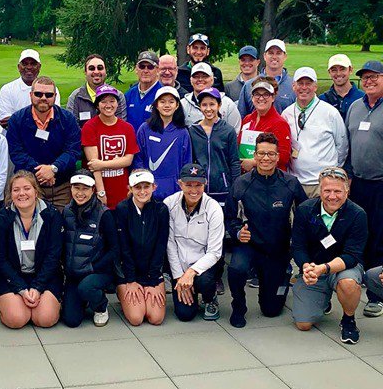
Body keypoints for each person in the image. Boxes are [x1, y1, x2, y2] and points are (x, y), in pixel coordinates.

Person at [225, 133, 306, 328]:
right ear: (255, 155)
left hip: (277, 248)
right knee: (236, 268)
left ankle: (279, 277)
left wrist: (297, 244)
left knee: (271, 310)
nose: (266, 158)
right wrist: (237, 232)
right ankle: (239, 306)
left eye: (271, 154)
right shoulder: (242, 183)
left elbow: (305, 215)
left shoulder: (290, 183)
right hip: (250, 244)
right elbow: (229, 217)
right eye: (261, 153)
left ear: (278, 156)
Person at [291, 167, 367, 344]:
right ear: (320, 190)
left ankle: (348, 320)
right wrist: (306, 267)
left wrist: (324, 269)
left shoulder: (357, 214)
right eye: (327, 190)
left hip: (344, 268)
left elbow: (352, 255)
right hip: (314, 268)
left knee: (348, 284)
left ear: (347, 191)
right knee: (303, 324)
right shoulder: (305, 210)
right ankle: (323, 300)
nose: (332, 196)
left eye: (338, 191)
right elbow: (298, 247)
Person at [0, 170, 64, 328]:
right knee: (16, 320)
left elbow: (53, 256)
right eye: (16, 190)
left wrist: (37, 287)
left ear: (36, 191)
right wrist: (21, 289)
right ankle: (10, 303)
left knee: (45, 319)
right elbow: (0, 259)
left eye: (27, 188)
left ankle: (48, 302)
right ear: (10, 194)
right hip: (12, 276)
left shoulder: (52, 215)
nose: (21, 193)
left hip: (44, 275)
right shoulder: (1, 218)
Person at [7, 75, 81, 211]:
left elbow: (73, 151)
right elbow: (16, 153)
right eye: (38, 94)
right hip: (28, 185)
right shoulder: (17, 120)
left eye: (48, 94)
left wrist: (53, 169)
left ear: (55, 96)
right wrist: (42, 173)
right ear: (30, 95)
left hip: (61, 186)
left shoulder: (68, 119)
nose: (43, 98)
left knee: (60, 226)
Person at [346, 60, 383, 318]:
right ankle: (354, 282)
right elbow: (348, 145)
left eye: (374, 77)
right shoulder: (355, 107)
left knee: (380, 239)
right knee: (359, 234)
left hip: (381, 184)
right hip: (357, 183)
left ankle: (376, 295)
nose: (369, 81)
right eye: (365, 78)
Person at [165, 164, 224, 321]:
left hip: (203, 265)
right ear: (180, 184)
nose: (193, 190)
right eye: (188, 185)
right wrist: (179, 277)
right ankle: (186, 289)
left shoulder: (214, 209)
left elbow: (215, 252)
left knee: (205, 282)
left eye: (198, 185)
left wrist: (191, 273)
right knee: (185, 315)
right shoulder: (169, 204)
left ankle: (210, 298)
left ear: (205, 184)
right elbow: (170, 244)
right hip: (179, 265)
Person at [61, 172, 118, 327]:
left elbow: (114, 249)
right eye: (76, 188)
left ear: (93, 189)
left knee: (86, 287)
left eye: (85, 188)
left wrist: (94, 267)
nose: (80, 193)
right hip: (74, 274)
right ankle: (84, 299)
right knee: (71, 320)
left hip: (97, 272)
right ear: (71, 189)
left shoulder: (104, 214)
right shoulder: (66, 211)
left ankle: (100, 306)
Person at [114, 170, 169, 327]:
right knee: (136, 318)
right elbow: (124, 248)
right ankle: (122, 291)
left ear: (154, 187)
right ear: (130, 189)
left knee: (156, 318)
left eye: (146, 186)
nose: (143, 191)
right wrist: (130, 280)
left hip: (152, 273)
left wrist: (152, 280)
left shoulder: (161, 210)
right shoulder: (122, 209)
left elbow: (161, 246)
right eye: (138, 187)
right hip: (129, 273)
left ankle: (146, 290)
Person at [283, 67, 347, 199]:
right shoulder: (286, 113)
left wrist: (331, 173)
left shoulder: (330, 113)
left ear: (315, 86)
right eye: (300, 83)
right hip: (295, 182)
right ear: (293, 86)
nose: (304, 88)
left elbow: (342, 147)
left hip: (322, 184)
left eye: (308, 83)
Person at [81, 84, 138, 210]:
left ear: (117, 104)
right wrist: (101, 192)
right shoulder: (90, 127)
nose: (108, 105)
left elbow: (128, 160)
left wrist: (102, 164)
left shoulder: (127, 128)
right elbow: (93, 165)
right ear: (97, 105)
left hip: (121, 188)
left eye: (112, 101)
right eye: (103, 101)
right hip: (100, 188)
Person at [132, 86, 192, 201]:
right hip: (149, 191)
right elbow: (138, 159)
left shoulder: (183, 132)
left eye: (171, 102)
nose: (167, 105)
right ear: (156, 105)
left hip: (175, 191)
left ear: (177, 105)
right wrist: (143, 184)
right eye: (162, 101)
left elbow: (186, 162)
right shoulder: (145, 129)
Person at [188, 88, 241, 205]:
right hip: (199, 188)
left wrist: (235, 187)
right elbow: (190, 159)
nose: (208, 109)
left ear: (219, 105)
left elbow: (234, 161)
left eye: (212, 104)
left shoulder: (228, 130)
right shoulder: (193, 131)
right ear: (199, 107)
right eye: (204, 105)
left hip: (222, 189)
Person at [238, 77, 292, 172]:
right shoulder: (247, 119)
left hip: (271, 179)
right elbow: (239, 146)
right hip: (248, 178)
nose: (261, 98)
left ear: (273, 97)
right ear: (252, 97)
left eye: (266, 94)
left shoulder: (280, 123)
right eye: (257, 94)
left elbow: (284, 157)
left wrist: (254, 162)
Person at [66, 55, 127, 127]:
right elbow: (71, 128)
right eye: (91, 68)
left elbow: (121, 126)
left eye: (100, 68)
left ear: (105, 71)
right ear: (85, 72)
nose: (96, 71)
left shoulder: (118, 96)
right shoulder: (76, 97)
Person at [237, 39, 294, 116]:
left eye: (278, 53)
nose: (274, 57)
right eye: (270, 53)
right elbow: (242, 117)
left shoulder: (294, 86)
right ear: (264, 56)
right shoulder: (249, 85)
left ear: (285, 56)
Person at [181, 63, 240, 131]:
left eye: (205, 76)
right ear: (191, 80)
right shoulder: (183, 105)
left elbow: (235, 132)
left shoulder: (227, 104)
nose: (200, 79)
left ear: (212, 80)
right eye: (196, 76)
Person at [0, 49, 47, 126]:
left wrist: (15, 119)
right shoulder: (7, 89)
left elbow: (51, 119)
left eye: (33, 64)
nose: (29, 67)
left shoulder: (50, 90)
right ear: (19, 67)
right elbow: (4, 121)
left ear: (39, 67)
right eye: (25, 64)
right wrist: (36, 120)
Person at [125, 50, 160, 132]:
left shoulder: (162, 94)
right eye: (142, 66)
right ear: (136, 69)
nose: (145, 71)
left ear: (157, 70)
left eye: (150, 67)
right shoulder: (129, 95)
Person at [320, 53, 362, 118]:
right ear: (329, 72)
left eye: (342, 69)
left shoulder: (363, 98)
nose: (338, 73)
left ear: (350, 70)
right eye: (334, 70)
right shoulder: (322, 100)